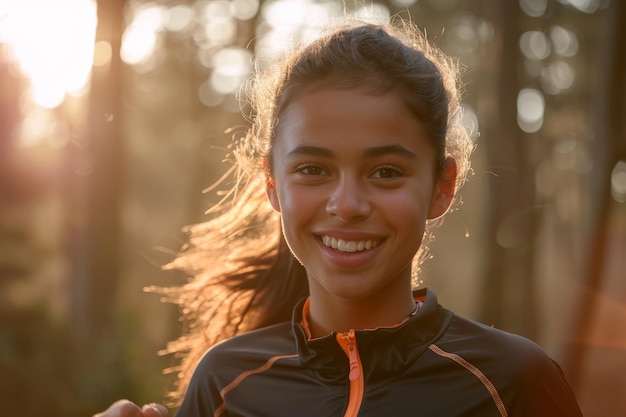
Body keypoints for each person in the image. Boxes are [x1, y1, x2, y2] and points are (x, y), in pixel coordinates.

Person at [94, 17, 582, 417]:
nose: (347, 204)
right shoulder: (224, 384)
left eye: (386, 171)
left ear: (441, 187)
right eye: (312, 169)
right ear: (272, 185)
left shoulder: (514, 383)